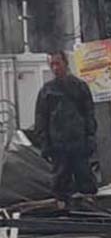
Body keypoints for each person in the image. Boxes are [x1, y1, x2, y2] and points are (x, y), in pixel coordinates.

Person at [33, 51, 98, 207]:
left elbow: (89, 115)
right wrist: (45, 145)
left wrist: (90, 139)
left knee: (85, 179)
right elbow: (41, 119)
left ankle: (89, 209)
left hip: (78, 143)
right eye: (52, 64)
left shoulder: (80, 87)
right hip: (58, 146)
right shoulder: (47, 91)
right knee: (60, 183)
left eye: (58, 63)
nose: (55, 68)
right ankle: (63, 209)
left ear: (66, 63)